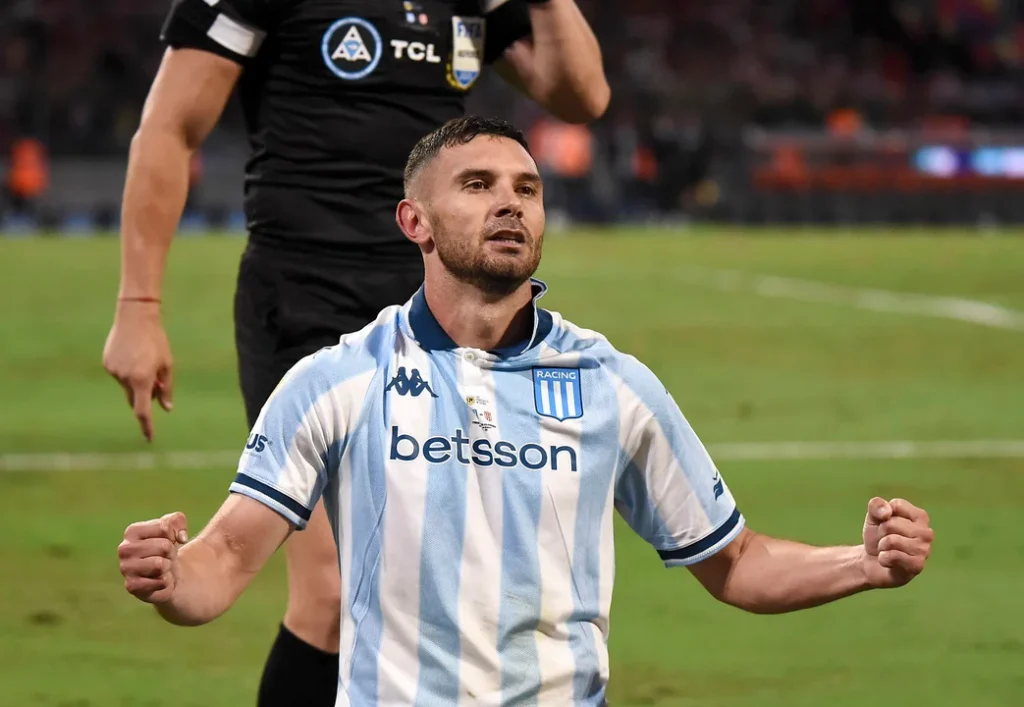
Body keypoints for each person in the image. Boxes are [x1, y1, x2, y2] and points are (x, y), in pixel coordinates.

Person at [117, 116, 935, 706]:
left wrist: (862, 564)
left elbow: (736, 560)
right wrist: (170, 577)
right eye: (477, 186)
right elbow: (225, 559)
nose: (510, 204)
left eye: (527, 189)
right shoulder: (337, 379)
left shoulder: (611, 383)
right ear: (415, 222)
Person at [100, 1, 609, 704]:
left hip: (441, 309)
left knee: (435, 586)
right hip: (306, 302)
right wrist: (138, 305)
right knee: (335, 593)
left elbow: (581, 95)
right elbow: (170, 126)